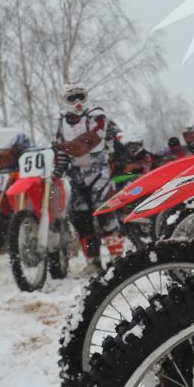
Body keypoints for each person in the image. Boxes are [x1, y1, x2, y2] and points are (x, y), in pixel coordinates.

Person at [54, 83, 123, 263]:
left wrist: (62, 147)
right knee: (81, 219)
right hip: (76, 174)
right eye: (72, 98)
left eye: (81, 96)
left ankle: (117, 259)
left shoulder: (96, 115)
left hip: (98, 170)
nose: (77, 102)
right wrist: (56, 172)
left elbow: (91, 140)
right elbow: (61, 152)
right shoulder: (62, 121)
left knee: (105, 213)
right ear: (64, 100)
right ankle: (92, 261)